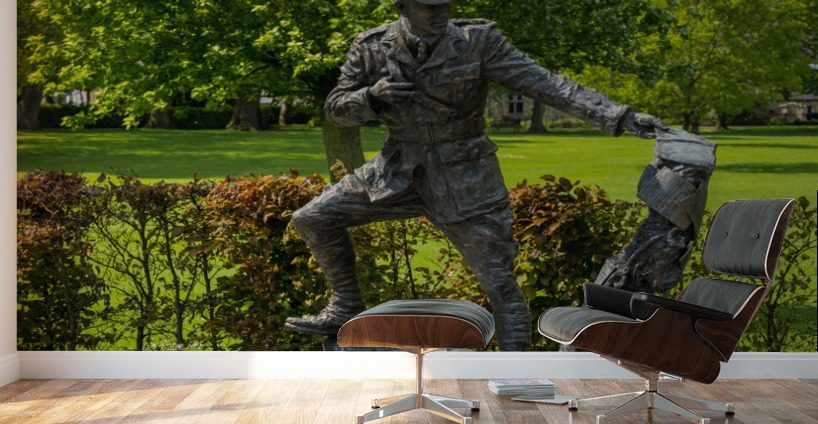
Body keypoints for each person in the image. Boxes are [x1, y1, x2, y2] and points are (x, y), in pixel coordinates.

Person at [285, 0, 668, 351]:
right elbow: (335, 108)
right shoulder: (370, 47)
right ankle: (346, 304)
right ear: (403, 6)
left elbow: (547, 84)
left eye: (445, 5)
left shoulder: (478, 41)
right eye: (427, 6)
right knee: (312, 218)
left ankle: (517, 375)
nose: (439, 12)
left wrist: (620, 117)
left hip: (465, 176)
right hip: (395, 171)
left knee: (501, 285)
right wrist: (371, 96)